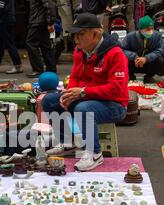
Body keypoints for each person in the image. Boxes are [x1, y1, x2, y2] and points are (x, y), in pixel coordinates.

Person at [41, 13, 128, 172]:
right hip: (86, 97)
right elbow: (75, 76)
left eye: (81, 34)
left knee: (83, 109)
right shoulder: (80, 51)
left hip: (115, 104)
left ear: (95, 34)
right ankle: (67, 142)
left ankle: (94, 153)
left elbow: (116, 89)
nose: (76, 39)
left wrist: (82, 92)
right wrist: (68, 94)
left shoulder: (115, 53)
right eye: (75, 34)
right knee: (49, 100)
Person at [121, 15, 164, 83]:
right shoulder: (130, 36)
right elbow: (122, 50)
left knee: (160, 60)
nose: (150, 31)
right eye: (147, 29)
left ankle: (149, 76)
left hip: (149, 64)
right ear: (140, 29)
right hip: (134, 64)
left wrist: (146, 58)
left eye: (152, 28)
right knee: (123, 59)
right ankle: (130, 76)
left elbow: (160, 49)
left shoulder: (157, 35)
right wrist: (134, 57)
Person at [26, 0, 57, 78]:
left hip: (38, 21)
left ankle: (38, 69)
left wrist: (50, 22)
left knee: (31, 43)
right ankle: (51, 68)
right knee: (45, 45)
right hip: (40, 20)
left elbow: (49, 4)